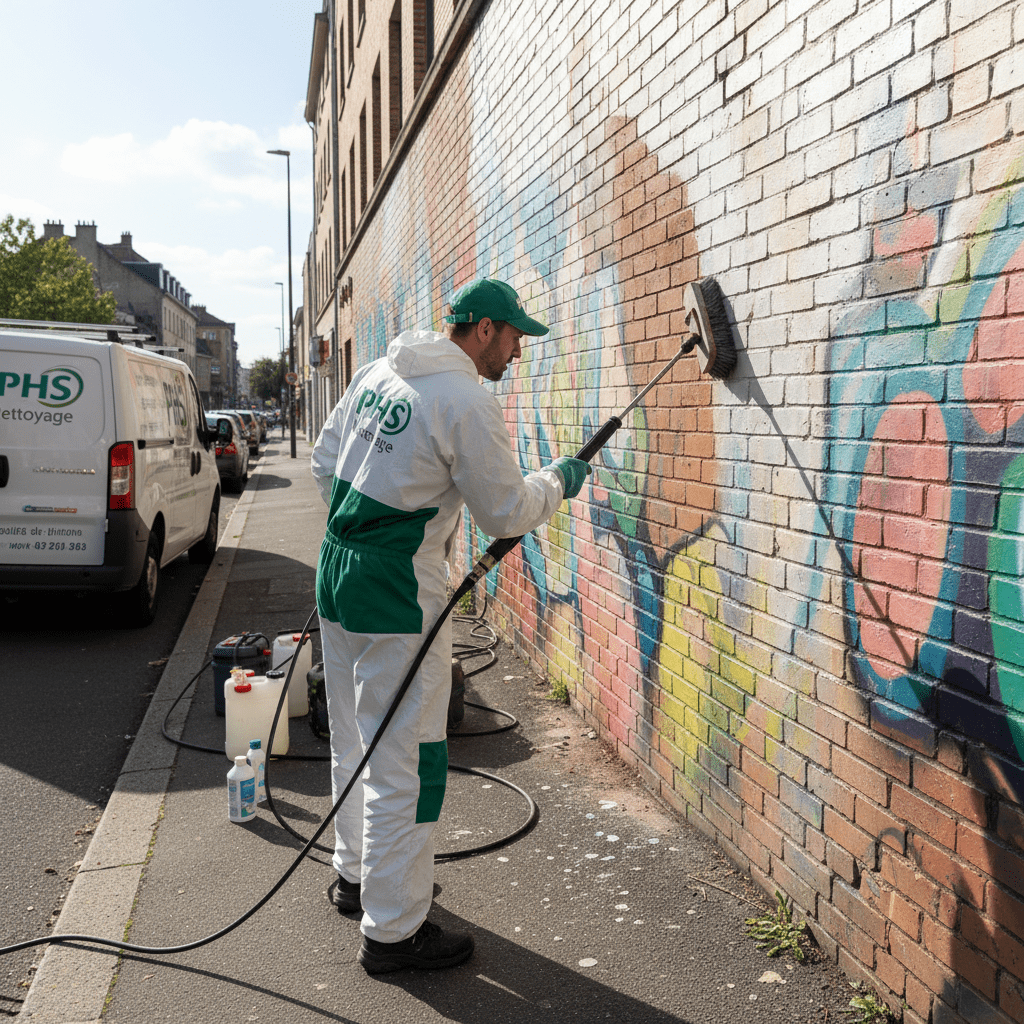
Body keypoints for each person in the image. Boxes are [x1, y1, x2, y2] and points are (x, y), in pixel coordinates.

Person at [310, 278, 590, 975]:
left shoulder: (382, 369)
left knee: (352, 734)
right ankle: (395, 932)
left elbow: (324, 460)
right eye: (516, 336)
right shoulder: (464, 398)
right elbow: (505, 511)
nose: (518, 352)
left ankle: (356, 879)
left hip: (338, 571)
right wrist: (559, 480)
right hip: (395, 593)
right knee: (408, 759)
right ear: (485, 329)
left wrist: (369, 531)